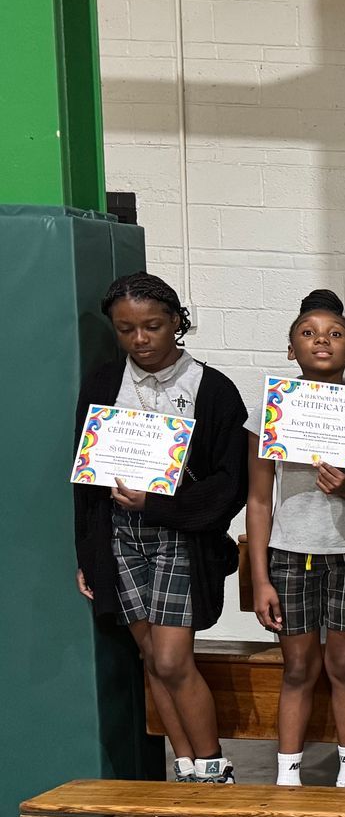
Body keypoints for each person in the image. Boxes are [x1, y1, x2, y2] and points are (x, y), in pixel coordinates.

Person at [74, 272, 248, 784]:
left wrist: (160, 504)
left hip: (181, 538)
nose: (141, 340)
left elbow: (228, 484)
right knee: (151, 655)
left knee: (172, 659)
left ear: (177, 322)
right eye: (126, 330)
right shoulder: (105, 384)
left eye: (152, 326)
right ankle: (188, 767)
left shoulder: (211, 389)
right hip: (118, 535)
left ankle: (216, 767)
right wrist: (88, 552)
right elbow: (84, 478)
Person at [245, 290, 345, 788]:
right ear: (292, 350)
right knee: (298, 667)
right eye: (308, 333)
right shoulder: (274, 409)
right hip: (290, 555)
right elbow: (260, 499)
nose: (321, 341)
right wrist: (260, 576)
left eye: (335, 334)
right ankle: (288, 775)